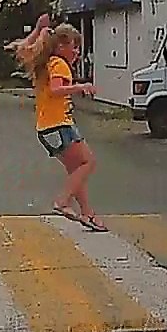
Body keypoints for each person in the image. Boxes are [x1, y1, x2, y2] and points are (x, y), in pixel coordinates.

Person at [11, 13, 105, 231]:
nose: (77, 52)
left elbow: (25, 51)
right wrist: (81, 87)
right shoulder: (59, 65)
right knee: (88, 163)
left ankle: (87, 213)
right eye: (74, 46)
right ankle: (62, 201)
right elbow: (55, 90)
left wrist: (36, 30)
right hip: (59, 125)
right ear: (61, 46)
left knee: (76, 170)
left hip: (47, 128)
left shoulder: (46, 63)